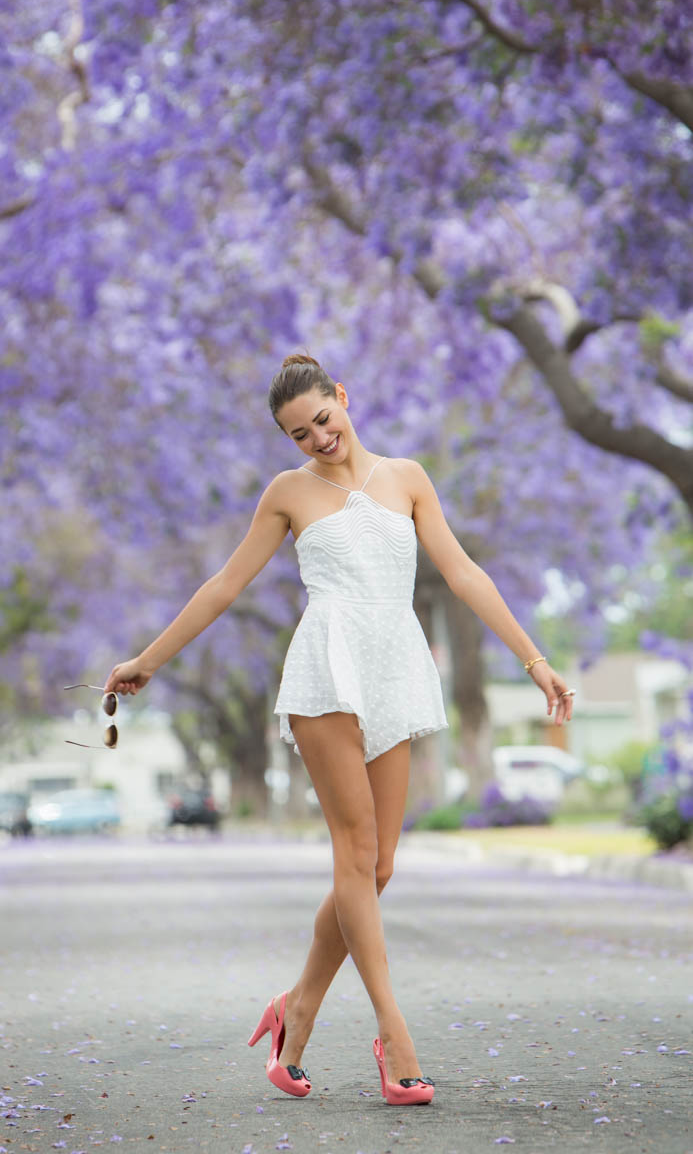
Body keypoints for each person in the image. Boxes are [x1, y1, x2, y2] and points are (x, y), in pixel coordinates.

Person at [103, 354, 575, 1107]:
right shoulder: (287, 495)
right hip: (325, 671)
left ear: (343, 400)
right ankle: (394, 1035)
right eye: (298, 433)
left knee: (378, 868)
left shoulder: (407, 478)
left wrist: (534, 662)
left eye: (322, 418)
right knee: (354, 855)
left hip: (393, 666)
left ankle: (296, 1009)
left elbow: (462, 573)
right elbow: (225, 584)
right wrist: (149, 661)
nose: (317, 438)